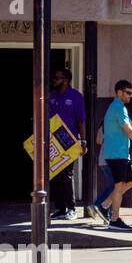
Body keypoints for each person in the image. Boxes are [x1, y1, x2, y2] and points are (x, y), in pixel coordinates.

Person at [96, 79, 132, 231]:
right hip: (116, 153)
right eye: (128, 93)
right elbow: (129, 131)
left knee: (130, 182)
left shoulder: (121, 108)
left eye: (131, 93)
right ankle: (114, 220)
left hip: (121, 154)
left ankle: (104, 206)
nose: (130, 96)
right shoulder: (117, 107)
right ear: (119, 93)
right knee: (118, 186)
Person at [48, 68, 86, 221]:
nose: (54, 80)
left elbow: (81, 120)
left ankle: (71, 208)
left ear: (65, 80)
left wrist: (83, 141)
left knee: (66, 175)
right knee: (55, 175)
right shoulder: (51, 95)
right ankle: (60, 208)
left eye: (57, 78)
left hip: (69, 141)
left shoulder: (76, 97)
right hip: (53, 141)